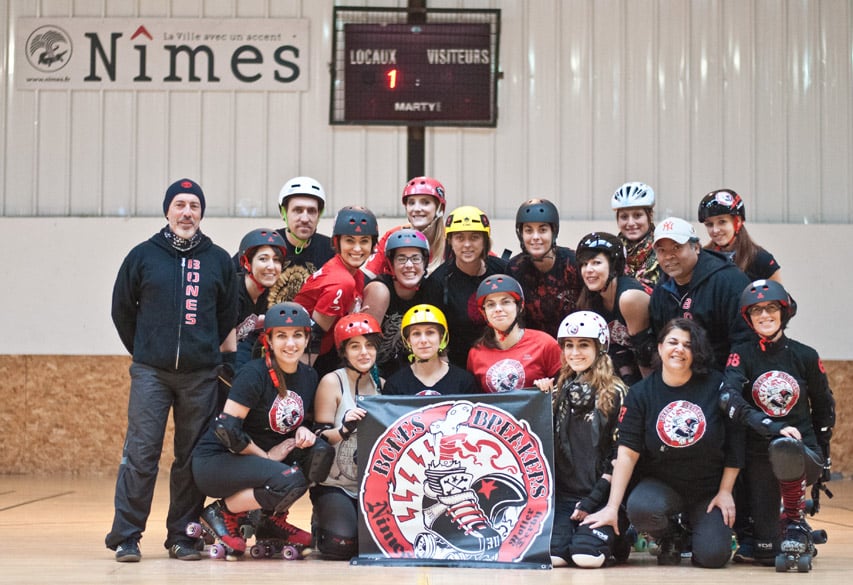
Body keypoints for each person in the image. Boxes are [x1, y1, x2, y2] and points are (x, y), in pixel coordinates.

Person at [106, 178, 238, 562]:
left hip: (200, 375)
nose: (186, 212)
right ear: (167, 210)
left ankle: (183, 536)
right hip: (151, 373)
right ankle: (127, 536)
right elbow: (122, 310)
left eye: (194, 205)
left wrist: (206, 354)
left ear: (201, 213)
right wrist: (145, 350)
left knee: (190, 459)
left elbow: (227, 312)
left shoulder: (217, 260)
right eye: (179, 204)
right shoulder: (143, 256)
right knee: (141, 454)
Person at [583, 319, 745, 568]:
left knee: (712, 557)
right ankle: (671, 535)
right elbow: (626, 454)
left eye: (687, 345)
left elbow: (736, 441)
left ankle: (699, 531)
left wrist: (725, 491)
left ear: (696, 352)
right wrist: (612, 507)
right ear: (659, 348)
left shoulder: (716, 385)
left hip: (709, 489)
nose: (679, 349)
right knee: (641, 509)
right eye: (673, 342)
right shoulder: (641, 393)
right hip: (662, 485)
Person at [191, 302, 333, 557]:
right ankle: (220, 512)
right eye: (282, 336)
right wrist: (266, 457)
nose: (291, 344)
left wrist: (305, 431)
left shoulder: (309, 376)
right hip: (219, 461)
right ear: (268, 339)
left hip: (260, 463)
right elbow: (227, 429)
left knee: (319, 453)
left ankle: (270, 522)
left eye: (297, 335)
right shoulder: (254, 374)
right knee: (288, 478)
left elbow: (291, 420)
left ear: (307, 338)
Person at [719, 280, 835, 566]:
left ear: (784, 312)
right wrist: (769, 424)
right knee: (766, 552)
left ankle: (795, 519)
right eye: (756, 310)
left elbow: (824, 408)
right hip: (759, 456)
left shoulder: (804, 355)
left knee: (785, 446)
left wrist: (826, 455)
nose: (764, 315)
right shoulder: (742, 354)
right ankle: (788, 516)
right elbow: (727, 397)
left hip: (803, 451)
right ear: (748, 318)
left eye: (771, 308)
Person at [534, 311, 629, 568]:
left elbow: (620, 454)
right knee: (555, 557)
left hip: (602, 496)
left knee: (585, 557)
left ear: (600, 347)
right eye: (569, 346)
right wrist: (541, 398)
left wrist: (593, 500)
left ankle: (622, 536)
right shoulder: (560, 388)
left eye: (583, 345)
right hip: (566, 496)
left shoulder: (617, 392)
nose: (574, 352)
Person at [311, 313, 384, 559]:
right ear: (344, 351)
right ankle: (321, 518)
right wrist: (344, 429)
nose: (364, 352)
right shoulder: (332, 382)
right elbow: (319, 436)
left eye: (370, 345)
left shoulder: (382, 385)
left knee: (379, 545)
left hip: (372, 487)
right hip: (335, 484)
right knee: (340, 545)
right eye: (355, 346)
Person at [649, 217, 753, 371]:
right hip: (678, 377)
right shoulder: (662, 289)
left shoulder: (729, 281)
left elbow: (745, 340)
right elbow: (658, 340)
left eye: (676, 247)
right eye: (661, 250)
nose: (668, 256)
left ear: (696, 247)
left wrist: (730, 384)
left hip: (722, 377)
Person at [293, 205, 379, 377]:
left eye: (364, 241)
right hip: (299, 356)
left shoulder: (355, 274)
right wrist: (297, 386)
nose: (357, 248)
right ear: (336, 242)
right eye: (349, 240)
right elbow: (313, 339)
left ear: (372, 245)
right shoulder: (342, 280)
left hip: (322, 353)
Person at [420, 205, 507, 369]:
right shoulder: (438, 282)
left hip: (503, 360)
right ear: (450, 242)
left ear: (485, 240)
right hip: (458, 366)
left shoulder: (504, 271)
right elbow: (433, 330)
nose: (467, 244)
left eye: (474, 237)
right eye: (460, 238)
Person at [576, 232, 654, 385]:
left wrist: (648, 399)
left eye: (596, 263)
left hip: (659, 368)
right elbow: (617, 352)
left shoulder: (629, 297)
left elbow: (645, 352)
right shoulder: (592, 298)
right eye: (584, 264)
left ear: (614, 266)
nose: (588, 269)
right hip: (630, 369)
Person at [467, 274, 562, 393]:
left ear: (520, 307)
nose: (498, 309)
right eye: (491, 304)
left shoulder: (545, 344)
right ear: (483, 312)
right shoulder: (476, 353)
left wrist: (550, 388)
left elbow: (566, 384)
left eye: (505, 302)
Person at [506, 198, 583, 339]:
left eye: (542, 230)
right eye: (529, 230)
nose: (535, 237)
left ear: (553, 233)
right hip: (532, 348)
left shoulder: (573, 262)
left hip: (574, 344)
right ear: (521, 234)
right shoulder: (514, 268)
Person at [363, 228, 430, 378]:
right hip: (379, 375)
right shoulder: (380, 290)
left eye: (415, 258)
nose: (409, 265)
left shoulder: (431, 288)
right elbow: (363, 345)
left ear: (425, 262)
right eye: (401, 259)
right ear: (390, 264)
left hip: (416, 376)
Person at [265, 176, 336, 304]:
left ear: (319, 215)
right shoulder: (264, 244)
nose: (305, 218)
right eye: (298, 210)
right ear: (283, 213)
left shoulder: (331, 250)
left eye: (311, 211)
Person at [383, 304, 479, 396]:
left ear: (441, 338)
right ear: (408, 341)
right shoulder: (394, 385)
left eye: (430, 332)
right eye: (416, 333)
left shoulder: (464, 382)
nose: (423, 340)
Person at [363, 176, 447, 278]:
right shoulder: (393, 236)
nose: (416, 209)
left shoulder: (450, 239)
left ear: (439, 208)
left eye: (425, 202)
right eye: (411, 203)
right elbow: (369, 276)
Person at [230, 228, 288, 372]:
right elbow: (225, 350)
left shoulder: (267, 295)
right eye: (263, 259)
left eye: (276, 260)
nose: (271, 267)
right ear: (245, 262)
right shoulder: (232, 291)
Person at [698, 188, 782, 282]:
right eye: (709, 224)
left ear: (738, 222)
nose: (715, 230)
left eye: (722, 222)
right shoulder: (703, 257)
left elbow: (778, 295)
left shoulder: (761, 259)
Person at [611, 181, 662, 287]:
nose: (630, 223)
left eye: (637, 215)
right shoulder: (610, 253)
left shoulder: (664, 249)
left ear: (650, 215)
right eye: (624, 217)